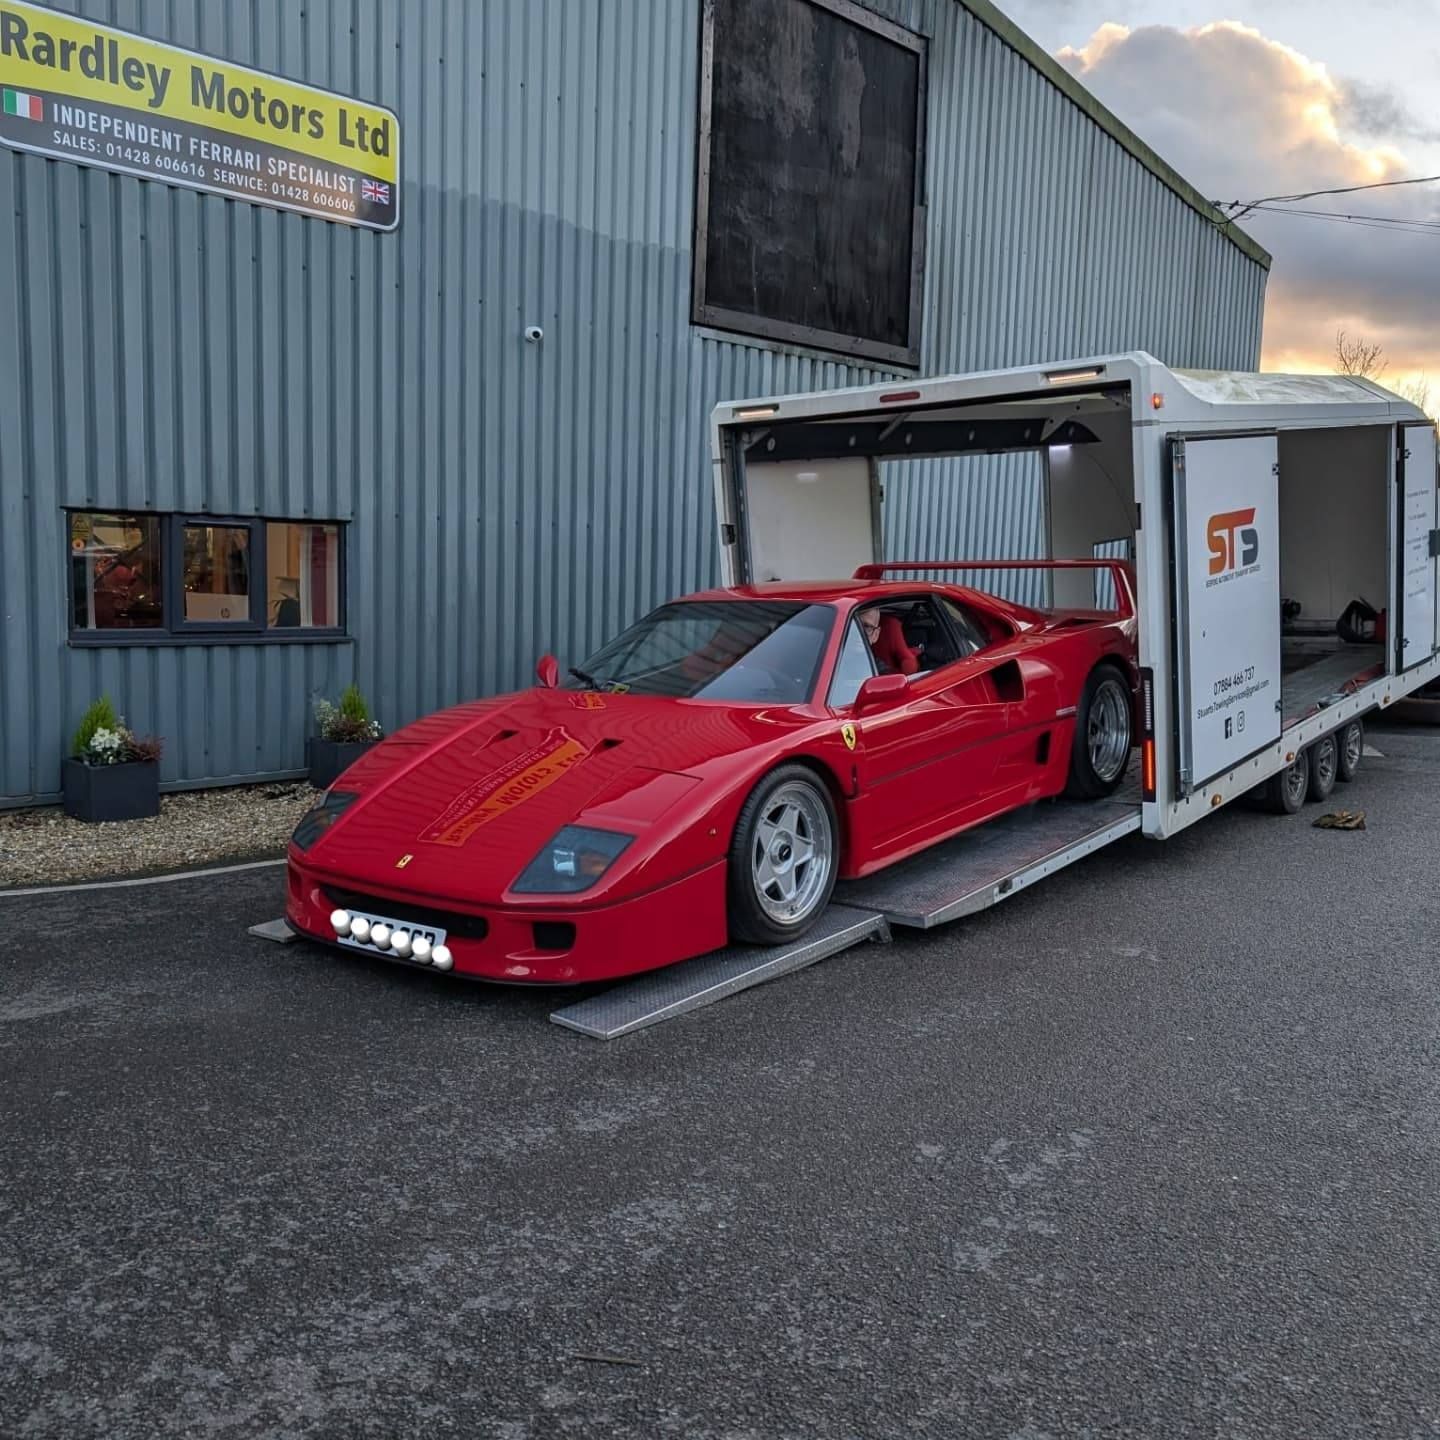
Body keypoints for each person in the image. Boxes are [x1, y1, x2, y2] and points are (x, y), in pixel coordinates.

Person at [858, 606, 920, 676]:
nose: (857, 631)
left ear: (876, 635)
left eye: (866, 627)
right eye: (853, 624)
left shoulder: (879, 670)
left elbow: (908, 661)